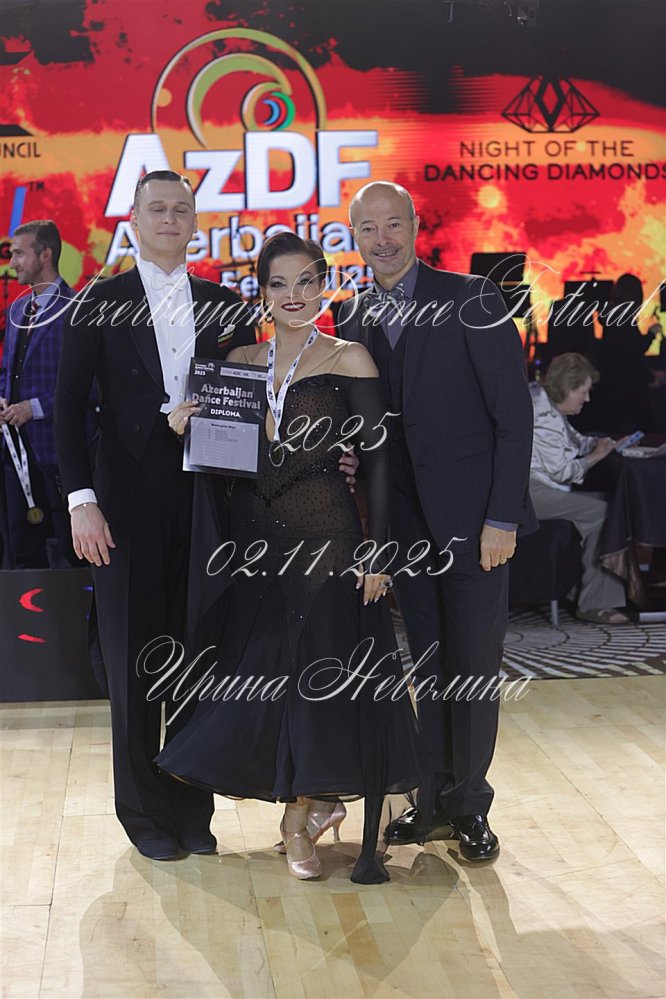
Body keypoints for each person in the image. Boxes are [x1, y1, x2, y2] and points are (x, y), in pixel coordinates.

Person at [155, 232, 422, 884]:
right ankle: (319, 799)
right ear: (263, 292)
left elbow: (379, 463)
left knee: (312, 675)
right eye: (280, 283)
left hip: (327, 537)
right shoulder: (240, 359)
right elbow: (225, 460)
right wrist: (187, 426)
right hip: (255, 543)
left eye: (306, 281)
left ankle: (298, 819)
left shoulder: (350, 357)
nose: (294, 295)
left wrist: (379, 552)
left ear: (323, 284)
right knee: (263, 676)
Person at [54, 170, 261, 861]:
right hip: (124, 505)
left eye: (181, 209)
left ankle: (192, 808)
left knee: (201, 657)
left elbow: (249, 407)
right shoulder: (98, 301)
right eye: (157, 209)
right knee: (133, 661)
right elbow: (68, 410)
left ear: (196, 224)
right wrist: (82, 502)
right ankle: (144, 815)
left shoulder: (227, 306)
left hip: (209, 502)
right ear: (135, 223)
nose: (170, 218)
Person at [336, 181, 537, 861]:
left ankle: (470, 806)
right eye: (369, 229)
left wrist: (502, 517)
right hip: (404, 529)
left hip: (478, 525)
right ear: (354, 237)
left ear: (416, 226)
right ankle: (430, 802)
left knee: (473, 663)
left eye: (394, 224)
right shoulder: (352, 316)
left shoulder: (472, 299)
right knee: (427, 663)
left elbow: (513, 417)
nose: (383, 239)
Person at [529, 352, 630, 624]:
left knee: (611, 503)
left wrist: (601, 445)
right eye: (583, 392)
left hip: (538, 486)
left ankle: (582, 590)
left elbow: (572, 441)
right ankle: (595, 604)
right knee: (605, 513)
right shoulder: (543, 415)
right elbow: (563, 471)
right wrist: (596, 456)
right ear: (566, 387)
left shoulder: (547, 403)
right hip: (529, 493)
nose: (587, 399)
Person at [0, 220, 77, 568]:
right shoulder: (17, 309)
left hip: (59, 450)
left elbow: (90, 386)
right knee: (22, 544)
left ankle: (79, 605)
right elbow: (9, 370)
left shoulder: (77, 309)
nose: (12, 263)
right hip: (15, 450)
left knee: (70, 546)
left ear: (45, 255)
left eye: (19, 254)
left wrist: (33, 407)